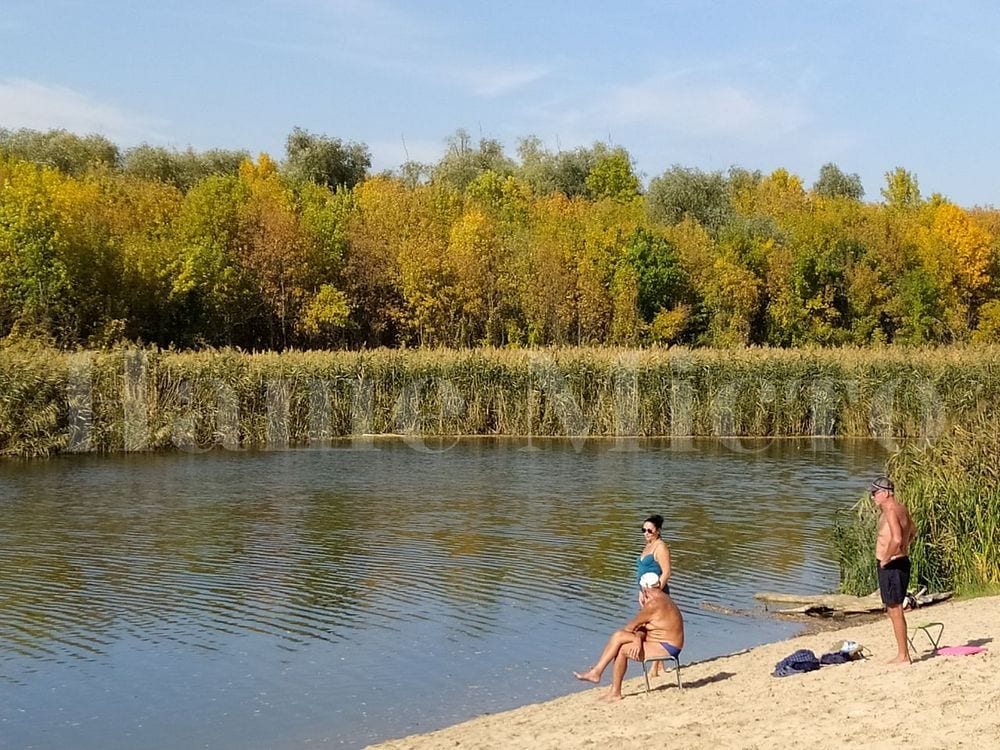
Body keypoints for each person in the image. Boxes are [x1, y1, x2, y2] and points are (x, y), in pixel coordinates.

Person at [573, 579, 685, 701]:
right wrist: (637, 638)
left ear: (644, 589)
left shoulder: (653, 605)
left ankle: (613, 690)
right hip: (665, 642)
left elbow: (630, 628)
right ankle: (597, 672)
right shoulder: (663, 598)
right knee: (619, 636)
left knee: (622, 648)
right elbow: (642, 628)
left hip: (667, 647)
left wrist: (637, 634)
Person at [871, 475, 916, 664]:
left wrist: (886, 559)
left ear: (885, 493)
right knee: (893, 609)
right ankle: (902, 653)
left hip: (892, 565)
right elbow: (913, 530)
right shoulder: (901, 508)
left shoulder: (890, 510)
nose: (872, 497)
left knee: (895, 609)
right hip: (900, 562)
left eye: (874, 493)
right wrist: (905, 549)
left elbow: (897, 538)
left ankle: (903, 655)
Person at [637, 514, 671, 596]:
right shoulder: (649, 544)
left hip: (656, 595)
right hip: (645, 592)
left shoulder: (660, 547)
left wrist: (656, 593)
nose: (646, 533)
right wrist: (641, 592)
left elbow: (667, 573)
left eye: (649, 531)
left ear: (658, 531)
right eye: (643, 530)